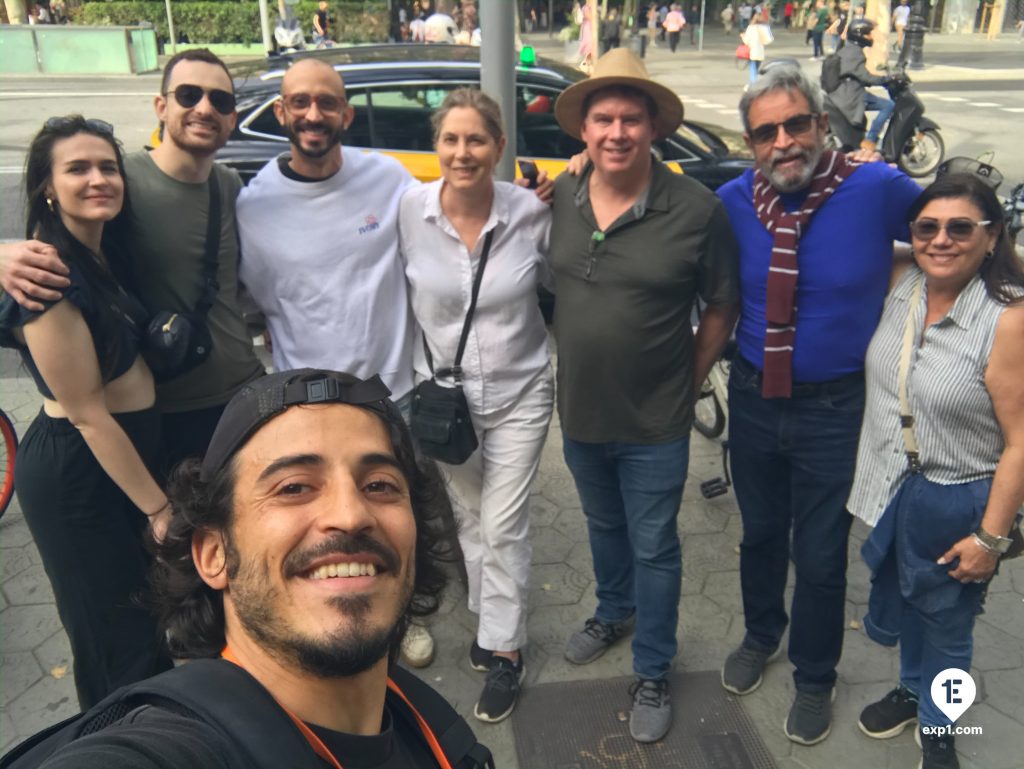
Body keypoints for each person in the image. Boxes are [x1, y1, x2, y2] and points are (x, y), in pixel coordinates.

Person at [4, 368, 493, 769]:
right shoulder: (171, 749)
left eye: (381, 485)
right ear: (214, 555)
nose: (351, 514)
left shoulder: (424, 721)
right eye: (294, 487)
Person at [714, 63, 922, 746]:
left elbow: (950, 227)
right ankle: (760, 632)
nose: (783, 141)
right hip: (751, 395)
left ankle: (813, 673)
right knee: (760, 534)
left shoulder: (875, 186)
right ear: (751, 143)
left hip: (836, 408)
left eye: (795, 124)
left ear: (822, 125)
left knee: (825, 553)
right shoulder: (733, 201)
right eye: (765, 131)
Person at [551, 49, 740, 743]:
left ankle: (654, 664)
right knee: (603, 527)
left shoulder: (696, 209)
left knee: (656, 541)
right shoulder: (561, 196)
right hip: (579, 411)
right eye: (603, 118)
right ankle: (613, 608)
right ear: (584, 130)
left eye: (632, 118)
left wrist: (691, 378)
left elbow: (721, 304)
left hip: (658, 419)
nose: (617, 132)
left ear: (655, 127)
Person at [0, 49, 265, 471]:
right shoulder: (119, 182)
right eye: (189, 94)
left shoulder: (230, 186)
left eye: (220, 100)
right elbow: (53, 247)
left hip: (246, 394)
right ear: (161, 106)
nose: (204, 108)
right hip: (167, 406)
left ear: (232, 117)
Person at [849, 174, 1024, 769]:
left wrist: (990, 540)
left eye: (960, 227)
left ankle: (941, 728)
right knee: (908, 603)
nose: (941, 240)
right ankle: (912, 687)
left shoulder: (1008, 319)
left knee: (949, 625)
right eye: (927, 227)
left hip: (961, 497)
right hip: (897, 487)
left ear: (992, 235)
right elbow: (845, 236)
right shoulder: (904, 282)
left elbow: (1022, 441)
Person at [0, 116, 174, 709]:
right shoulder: (48, 277)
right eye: (77, 168)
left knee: (143, 626)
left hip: (114, 461)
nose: (98, 178)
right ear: (48, 186)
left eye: (108, 167)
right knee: (114, 640)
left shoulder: (97, 254)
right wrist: (158, 509)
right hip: (81, 475)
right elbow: (88, 415)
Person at [398, 88, 553, 724]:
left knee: (502, 522)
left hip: (520, 392)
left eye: (477, 140)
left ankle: (504, 648)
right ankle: (494, 615)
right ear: (436, 146)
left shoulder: (532, 214)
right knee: (466, 519)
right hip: (444, 402)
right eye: (451, 140)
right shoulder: (409, 210)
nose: (463, 153)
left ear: (499, 147)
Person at [833, 18, 895, 152]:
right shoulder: (855, 53)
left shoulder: (847, 48)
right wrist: (885, 79)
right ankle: (871, 140)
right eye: (868, 33)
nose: (871, 37)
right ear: (859, 34)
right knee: (888, 105)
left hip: (844, 91)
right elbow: (865, 77)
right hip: (850, 95)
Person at [741, 9, 773, 86]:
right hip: (760, 53)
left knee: (753, 70)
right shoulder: (765, 28)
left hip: (751, 52)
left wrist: (742, 36)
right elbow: (768, 40)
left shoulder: (750, 28)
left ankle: (753, 85)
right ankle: (750, 84)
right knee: (755, 69)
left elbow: (746, 41)